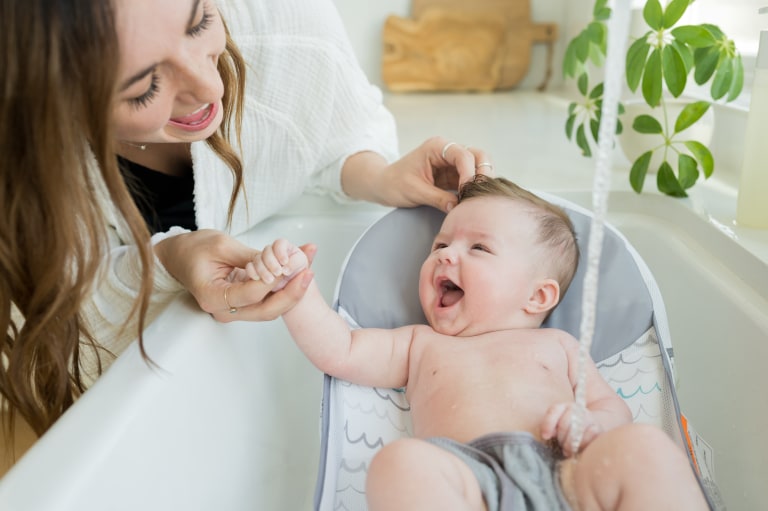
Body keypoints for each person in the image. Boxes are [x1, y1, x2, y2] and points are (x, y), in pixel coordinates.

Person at [0, 0, 490, 467]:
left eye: (198, 23)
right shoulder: (21, 163)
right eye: (145, 88)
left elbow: (335, 130)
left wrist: (379, 175)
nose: (209, 87)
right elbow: (53, 316)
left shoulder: (289, 25)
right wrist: (170, 255)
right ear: (55, 107)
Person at [254, 176, 708, 510]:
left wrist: (589, 423)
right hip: (467, 481)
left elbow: (615, 409)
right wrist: (295, 292)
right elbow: (341, 350)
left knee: (644, 447)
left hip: (568, 475)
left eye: (479, 249)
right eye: (440, 244)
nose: (446, 254)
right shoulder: (419, 344)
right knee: (401, 464)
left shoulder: (561, 346)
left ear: (537, 296)